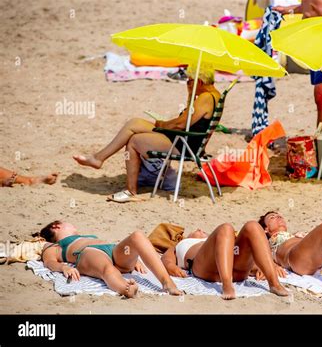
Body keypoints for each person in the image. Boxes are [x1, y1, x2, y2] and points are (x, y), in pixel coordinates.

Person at [73, 65, 221, 202]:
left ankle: (130, 191)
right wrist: (190, 96)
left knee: (134, 141)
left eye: (189, 81)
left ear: (199, 82)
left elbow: (180, 124)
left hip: (184, 144)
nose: (187, 84)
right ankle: (98, 158)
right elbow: (187, 121)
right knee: (134, 123)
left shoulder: (205, 97)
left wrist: (162, 124)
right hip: (183, 138)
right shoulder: (213, 95)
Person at [38, 220, 182, 298]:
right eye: (66, 222)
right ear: (56, 226)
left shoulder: (86, 236)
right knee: (108, 269)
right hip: (88, 253)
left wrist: (134, 258)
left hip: (112, 250)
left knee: (137, 236)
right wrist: (64, 267)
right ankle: (126, 289)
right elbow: (49, 262)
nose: (72, 224)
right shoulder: (55, 245)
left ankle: (167, 282)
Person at [161, 222, 289, 300]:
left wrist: (261, 266)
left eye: (203, 231)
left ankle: (274, 283)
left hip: (235, 268)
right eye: (196, 231)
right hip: (205, 268)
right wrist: (171, 265)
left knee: (253, 226)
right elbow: (165, 258)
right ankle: (227, 284)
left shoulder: (221, 239)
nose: (200, 230)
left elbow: (242, 252)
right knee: (226, 227)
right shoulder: (182, 243)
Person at [273, 0, 322, 130]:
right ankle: (321, 137)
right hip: (314, 38)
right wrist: (289, 10)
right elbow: (310, 6)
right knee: (319, 95)